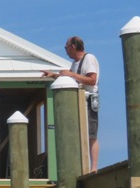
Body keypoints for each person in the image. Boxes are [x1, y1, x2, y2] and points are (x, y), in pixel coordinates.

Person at [42, 36, 100, 171]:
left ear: (73, 46)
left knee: (91, 134)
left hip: (89, 99)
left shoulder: (89, 59)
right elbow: (71, 78)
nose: (65, 51)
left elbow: (92, 80)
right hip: (79, 101)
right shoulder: (75, 63)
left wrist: (70, 74)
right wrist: (53, 75)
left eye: (66, 47)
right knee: (80, 133)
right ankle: (82, 164)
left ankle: (94, 167)